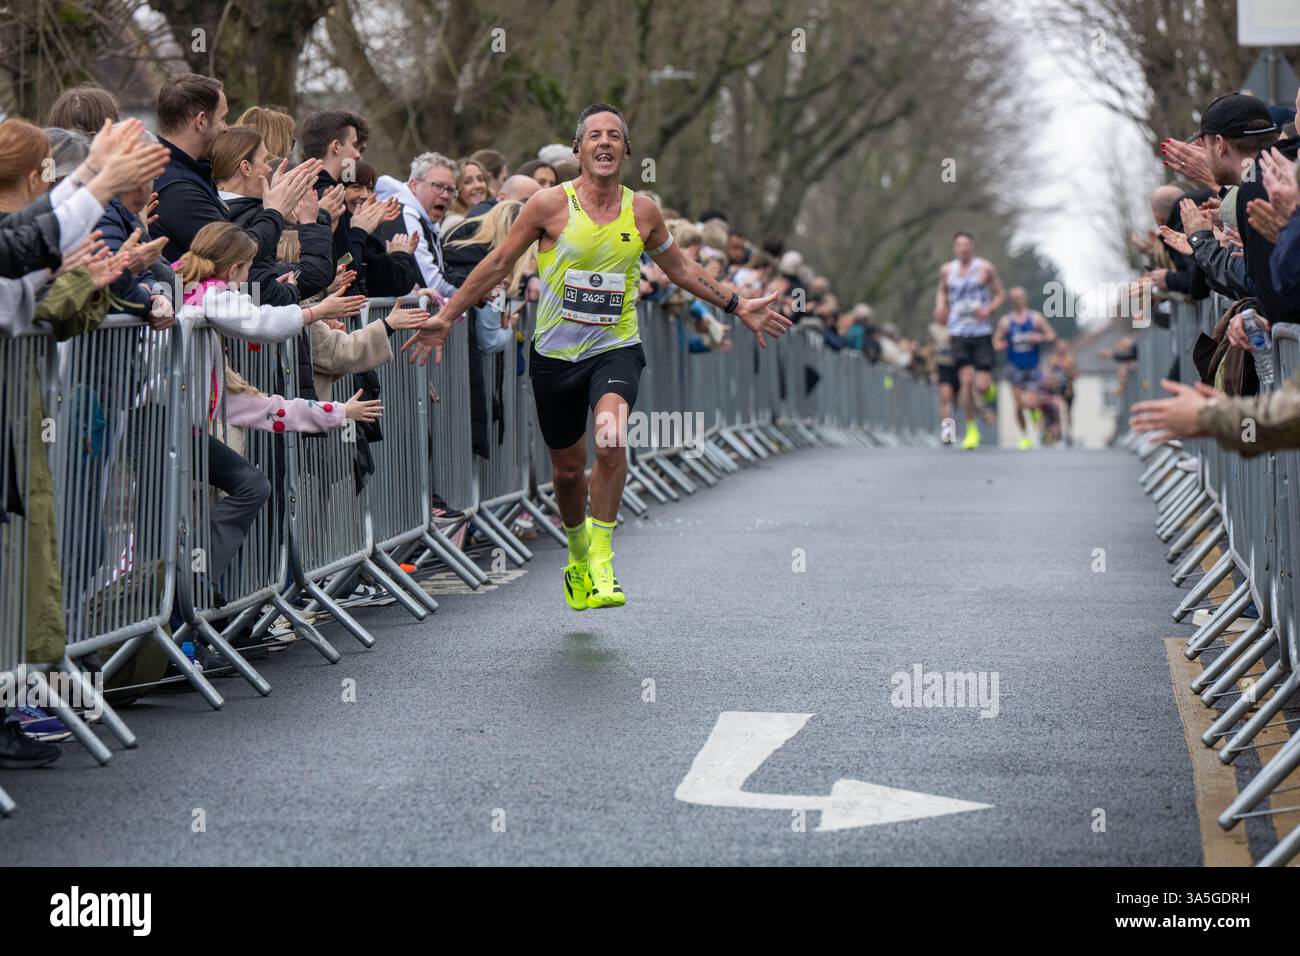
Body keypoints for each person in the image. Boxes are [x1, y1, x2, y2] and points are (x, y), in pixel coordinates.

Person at [402, 103, 791, 610]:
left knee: (611, 439)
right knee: (567, 472)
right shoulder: (547, 206)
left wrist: (738, 305)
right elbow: (498, 263)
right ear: (578, 148)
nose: (604, 143)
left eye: (614, 136)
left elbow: (680, 268)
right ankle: (578, 553)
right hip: (555, 356)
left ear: (626, 149)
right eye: (594, 136)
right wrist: (448, 316)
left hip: (616, 347)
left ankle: (604, 561)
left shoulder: (643, 211)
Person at [933, 230, 1004, 449]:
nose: (963, 248)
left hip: (981, 332)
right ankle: (955, 434)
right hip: (957, 336)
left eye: (967, 244)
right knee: (950, 393)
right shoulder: (947, 270)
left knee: (978, 386)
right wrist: (940, 307)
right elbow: (942, 292)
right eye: (959, 245)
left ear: (972, 247)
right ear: (954, 248)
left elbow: (1000, 293)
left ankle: (987, 390)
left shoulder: (985, 268)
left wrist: (989, 308)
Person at [992, 286, 1055, 449]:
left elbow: (1051, 334)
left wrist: (1038, 337)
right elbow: (996, 341)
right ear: (1011, 301)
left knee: (1032, 404)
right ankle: (1025, 436)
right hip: (1014, 366)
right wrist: (1002, 344)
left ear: (1025, 298)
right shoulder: (1006, 321)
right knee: (1019, 404)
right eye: (1014, 298)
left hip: (1033, 365)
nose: (1017, 300)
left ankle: (1038, 424)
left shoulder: (1035, 318)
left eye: (1019, 297)